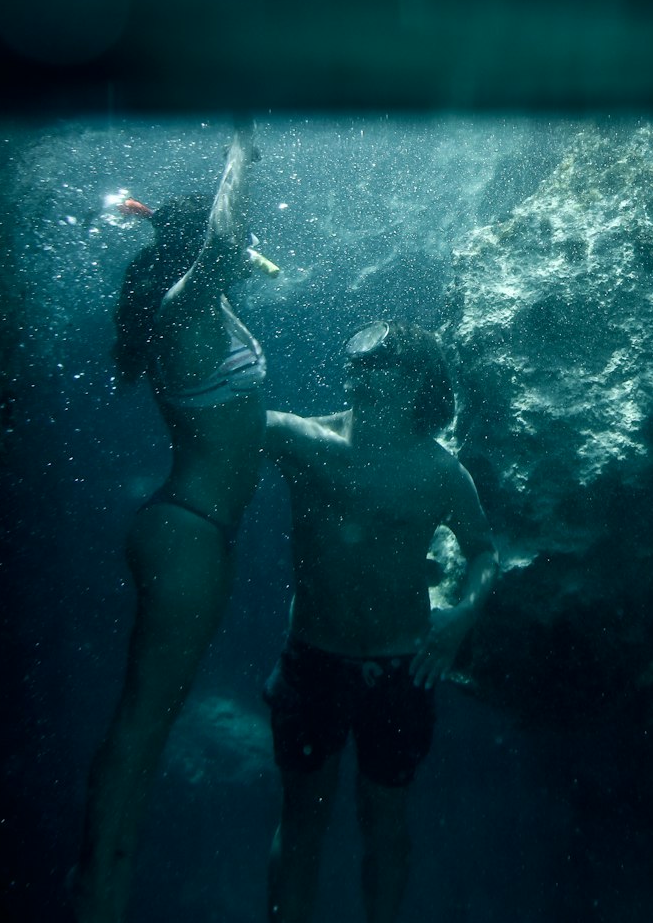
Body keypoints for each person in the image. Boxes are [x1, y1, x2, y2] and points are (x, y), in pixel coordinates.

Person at [72, 123, 266, 923]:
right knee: (144, 726)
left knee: (143, 719)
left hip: (187, 528)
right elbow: (224, 237)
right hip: (189, 532)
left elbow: (244, 421)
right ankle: (99, 901)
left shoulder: (194, 308)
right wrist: (242, 150)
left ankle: (99, 890)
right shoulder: (186, 306)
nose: (254, 251)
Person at [263, 320, 498, 923]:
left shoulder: (441, 473)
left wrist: (462, 617)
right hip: (313, 661)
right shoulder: (299, 439)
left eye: (381, 361)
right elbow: (217, 417)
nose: (360, 369)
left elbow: (482, 552)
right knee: (303, 823)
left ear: (418, 378)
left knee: (385, 824)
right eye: (357, 360)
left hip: (401, 670)